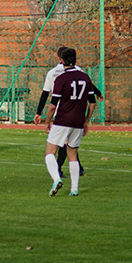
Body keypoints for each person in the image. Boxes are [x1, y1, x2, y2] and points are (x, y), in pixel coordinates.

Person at [33, 46, 104, 177]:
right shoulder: (79, 71)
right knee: (69, 144)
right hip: (77, 112)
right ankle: (74, 174)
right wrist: (98, 93)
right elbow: (89, 83)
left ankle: (58, 172)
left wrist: (39, 113)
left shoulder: (53, 72)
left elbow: (45, 93)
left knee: (62, 145)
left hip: (60, 111)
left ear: (60, 58)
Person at [43, 48, 97, 196]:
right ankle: (74, 189)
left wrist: (47, 121)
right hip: (78, 122)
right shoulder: (86, 77)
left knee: (49, 152)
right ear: (75, 60)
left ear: (62, 61)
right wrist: (86, 121)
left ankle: (56, 179)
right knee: (72, 155)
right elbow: (92, 103)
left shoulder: (60, 79)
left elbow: (53, 105)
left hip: (62, 121)